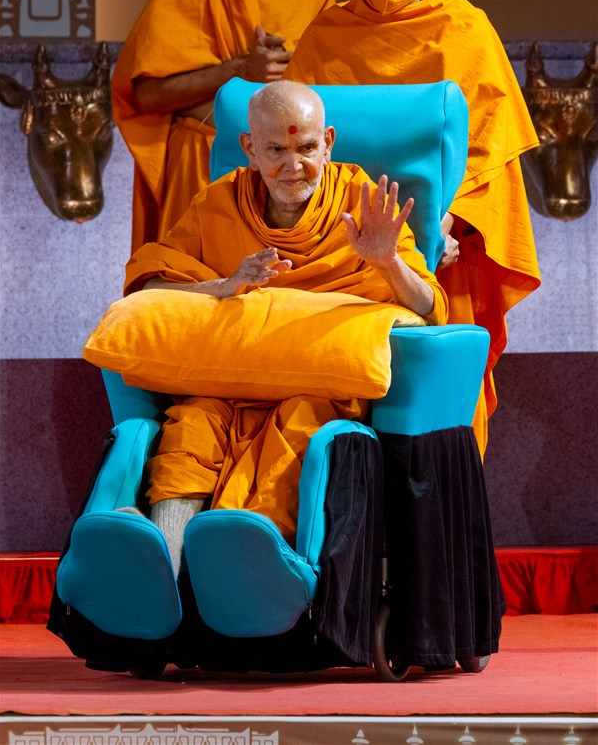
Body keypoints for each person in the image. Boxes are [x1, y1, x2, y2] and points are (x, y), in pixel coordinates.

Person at [123, 80, 448, 576]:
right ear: (250, 149)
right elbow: (149, 287)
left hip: (318, 392)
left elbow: (429, 307)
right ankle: (162, 568)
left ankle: (250, 570)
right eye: (276, 149)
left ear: (328, 143)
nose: (294, 165)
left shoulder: (360, 201)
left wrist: (387, 262)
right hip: (227, 388)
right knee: (189, 430)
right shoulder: (219, 204)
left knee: (298, 433)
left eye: (306, 148)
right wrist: (225, 285)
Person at [283, 0, 541, 458]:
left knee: (436, 414)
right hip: (340, 247)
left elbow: (490, 149)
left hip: (440, 249)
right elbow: (298, 139)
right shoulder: (326, 34)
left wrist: (443, 226)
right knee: (337, 396)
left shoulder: (464, 29)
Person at [112, 0, 336, 253]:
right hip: (203, 160)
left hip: (285, 172)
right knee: (195, 282)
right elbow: (146, 96)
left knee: (280, 285)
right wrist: (241, 69)